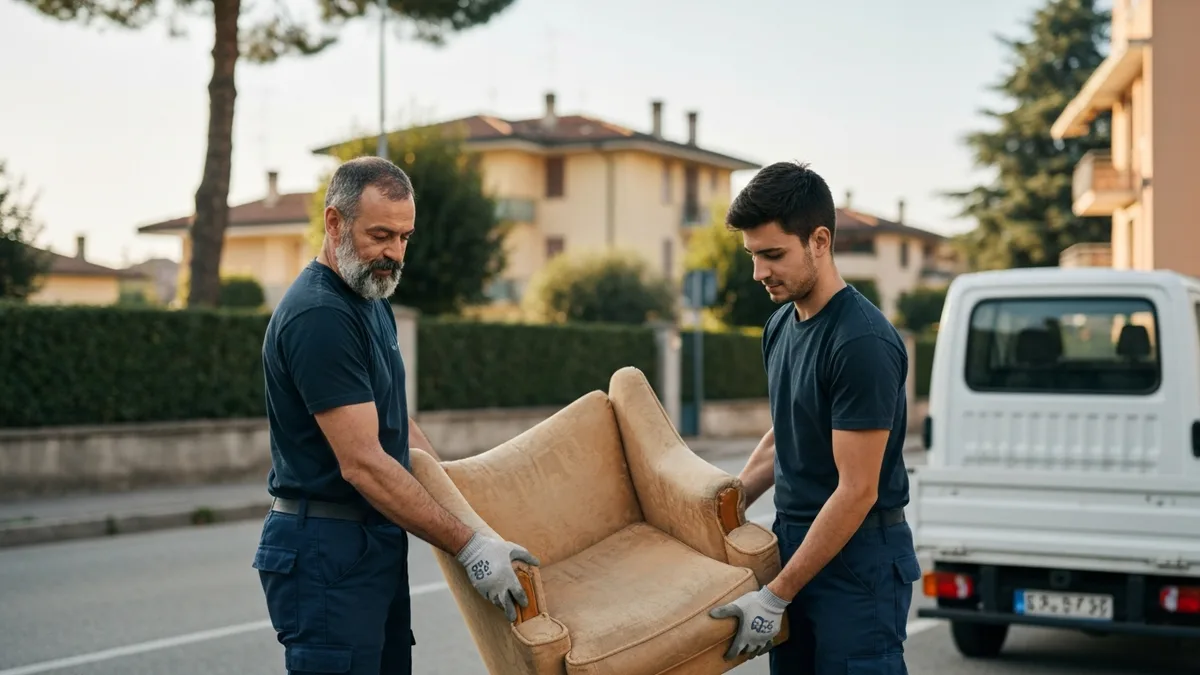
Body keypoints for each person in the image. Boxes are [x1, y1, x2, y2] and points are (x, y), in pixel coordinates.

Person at [252, 156, 538, 675]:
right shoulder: (321, 315)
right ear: (334, 222)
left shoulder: (369, 297)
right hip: (325, 551)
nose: (394, 253)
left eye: (405, 237)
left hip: (369, 542)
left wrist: (468, 511)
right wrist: (468, 545)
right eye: (381, 235)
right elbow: (363, 461)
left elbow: (396, 426)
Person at [707, 161, 920, 674]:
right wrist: (717, 515)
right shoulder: (780, 325)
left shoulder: (861, 342)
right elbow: (786, 435)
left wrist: (776, 596)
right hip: (795, 542)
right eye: (753, 256)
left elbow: (857, 491)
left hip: (859, 560)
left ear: (819, 241)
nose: (759, 273)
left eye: (773, 254)